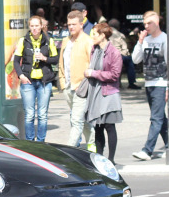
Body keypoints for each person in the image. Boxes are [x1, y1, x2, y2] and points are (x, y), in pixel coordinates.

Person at [131, 11, 169, 160]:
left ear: (157, 23)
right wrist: (139, 42)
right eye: (144, 24)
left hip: (161, 83)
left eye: (149, 23)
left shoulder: (165, 39)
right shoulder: (145, 40)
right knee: (160, 117)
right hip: (149, 83)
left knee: (156, 118)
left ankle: (147, 150)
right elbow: (135, 59)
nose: (146, 26)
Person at [83, 22, 124, 162]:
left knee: (109, 126)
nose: (92, 37)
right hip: (96, 92)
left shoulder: (114, 52)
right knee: (98, 127)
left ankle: (111, 159)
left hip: (109, 93)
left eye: (94, 34)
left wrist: (94, 73)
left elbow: (114, 75)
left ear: (102, 35)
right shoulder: (95, 49)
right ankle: (100, 158)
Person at [13, 16, 58, 142]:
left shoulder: (49, 40)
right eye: (32, 26)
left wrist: (44, 58)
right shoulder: (23, 40)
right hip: (28, 81)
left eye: (36, 26)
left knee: (43, 115)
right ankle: (30, 141)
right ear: (29, 27)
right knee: (29, 115)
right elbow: (16, 61)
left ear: (41, 26)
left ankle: (41, 141)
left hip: (44, 82)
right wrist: (21, 76)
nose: (34, 29)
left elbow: (55, 58)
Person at [57, 9, 92, 149]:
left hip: (81, 87)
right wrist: (62, 82)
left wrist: (84, 85)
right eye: (69, 24)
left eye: (74, 24)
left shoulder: (87, 41)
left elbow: (92, 65)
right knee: (82, 121)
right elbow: (61, 63)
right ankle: (92, 145)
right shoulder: (66, 41)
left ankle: (68, 151)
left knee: (76, 120)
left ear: (81, 24)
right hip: (68, 86)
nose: (71, 27)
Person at [108, 18, 138, 88]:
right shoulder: (120, 35)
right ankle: (131, 83)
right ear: (118, 27)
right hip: (118, 55)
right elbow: (125, 49)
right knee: (129, 61)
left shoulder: (105, 33)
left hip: (107, 55)